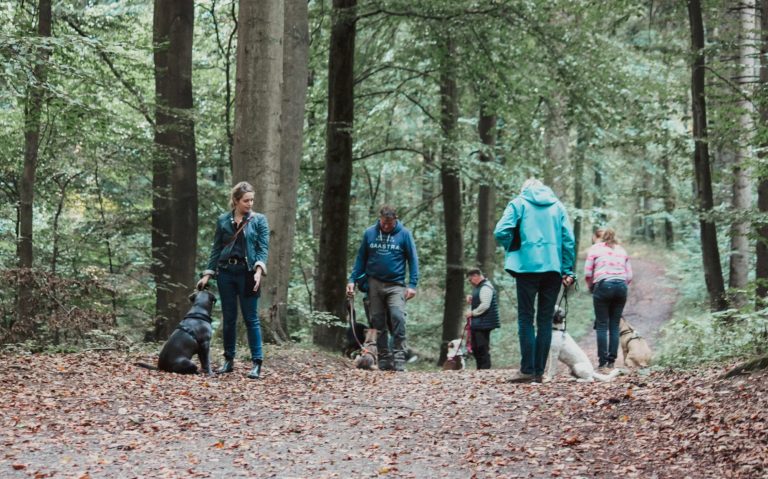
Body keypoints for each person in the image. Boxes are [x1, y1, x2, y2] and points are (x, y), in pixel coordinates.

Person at [494, 178, 576, 383]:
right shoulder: (557, 206)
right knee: (545, 320)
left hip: (526, 268)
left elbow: (500, 231)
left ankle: (527, 369)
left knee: (525, 317)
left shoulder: (518, 203)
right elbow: (568, 239)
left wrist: (516, 245)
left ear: (524, 189)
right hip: (553, 269)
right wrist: (568, 269)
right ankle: (539, 372)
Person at [197, 181, 269, 379]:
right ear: (236, 200)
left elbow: (263, 248)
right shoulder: (223, 220)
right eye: (246, 200)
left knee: (251, 318)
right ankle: (228, 360)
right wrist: (208, 273)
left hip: (248, 273)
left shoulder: (259, 220)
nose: (250, 203)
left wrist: (258, 270)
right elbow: (216, 248)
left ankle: (256, 363)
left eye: (252, 200)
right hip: (226, 273)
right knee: (228, 318)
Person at [346, 205, 419, 371]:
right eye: (383, 223)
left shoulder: (404, 234)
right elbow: (360, 259)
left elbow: (413, 260)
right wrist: (352, 280)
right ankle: (385, 359)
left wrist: (413, 284)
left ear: (396, 220)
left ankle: (399, 359)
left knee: (398, 317)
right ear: (380, 219)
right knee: (378, 322)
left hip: (396, 285)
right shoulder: (370, 233)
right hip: (374, 283)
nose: (386, 226)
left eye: (389, 223)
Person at [584, 228, 632, 370]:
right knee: (614, 324)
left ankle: (602, 362)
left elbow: (587, 273)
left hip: (603, 285)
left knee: (602, 325)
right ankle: (612, 361)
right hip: (621, 287)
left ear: (601, 237)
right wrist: (621, 287)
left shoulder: (595, 249)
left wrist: (591, 286)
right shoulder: (622, 250)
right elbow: (629, 276)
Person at [465, 268, 500, 370]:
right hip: (479, 322)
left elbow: (485, 305)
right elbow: (480, 299)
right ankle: (480, 369)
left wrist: (472, 313)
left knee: (482, 347)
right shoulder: (480, 287)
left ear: (476, 276)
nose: (470, 282)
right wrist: (472, 298)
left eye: (470, 279)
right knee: (475, 347)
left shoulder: (485, 287)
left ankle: (485, 370)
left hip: (484, 323)